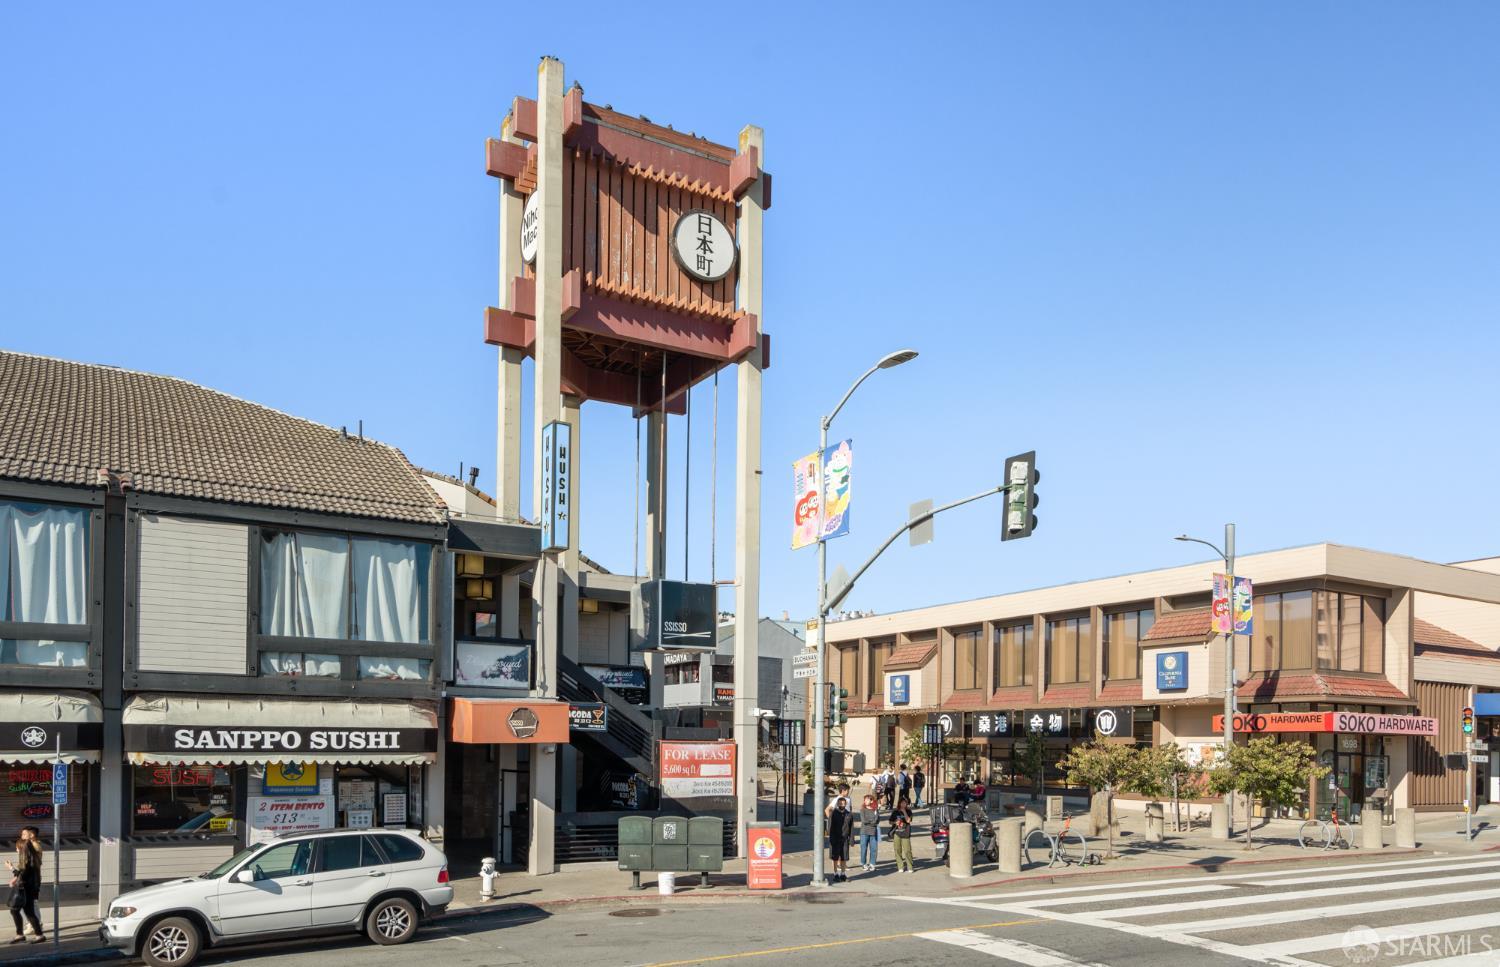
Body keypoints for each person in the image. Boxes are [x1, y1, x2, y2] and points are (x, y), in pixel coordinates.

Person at [6, 827, 45, 944]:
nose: (17, 850)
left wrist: (11, 868)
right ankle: (35, 935)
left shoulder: (27, 859)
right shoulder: (31, 859)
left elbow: (23, 873)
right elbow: (23, 872)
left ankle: (26, 934)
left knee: (18, 910)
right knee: (26, 911)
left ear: (23, 849)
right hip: (29, 886)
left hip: (26, 887)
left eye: (18, 849)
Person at [828, 797, 855, 882]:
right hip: (835, 838)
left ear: (846, 804)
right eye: (840, 803)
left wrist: (851, 839)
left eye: (843, 803)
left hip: (844, 839)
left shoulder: (849, 814)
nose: (842, 805)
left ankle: (843, 874)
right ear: (837, 804)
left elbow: (851, 828)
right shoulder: (834, 813)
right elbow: (830, 826)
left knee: (844, 857)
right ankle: (835, 874)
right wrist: (831, 838)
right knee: (835, 857)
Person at [857, 795, 881, 872]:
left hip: (873, 832)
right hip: (864, 832)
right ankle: (863, 864)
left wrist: (872, 822)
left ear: (871, 801)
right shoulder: (862, 810)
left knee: (874, 849)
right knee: (863, 848)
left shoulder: (875, 810)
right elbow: (864, 821)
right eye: (865, 800)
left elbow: (877, 820)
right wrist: (872, 822)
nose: (865, 801)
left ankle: (872, 864)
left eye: (867, 800)